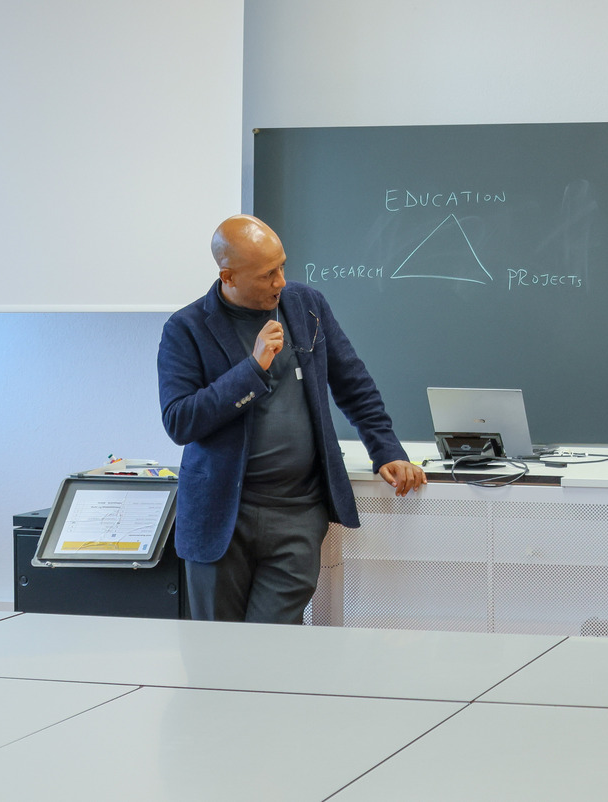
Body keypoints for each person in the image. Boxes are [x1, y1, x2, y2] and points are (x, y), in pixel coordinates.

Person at [158, 214, 426, 624]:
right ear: (228, 276)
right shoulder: (186, 328)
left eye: (282, 266)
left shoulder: (306, 306)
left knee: (274, 644)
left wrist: (386, 449)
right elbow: (180, 421)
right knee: (219, 649)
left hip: (297, 512)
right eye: (267, 274)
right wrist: (252, 369)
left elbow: (353, 384)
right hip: (221, 516)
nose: (280, 281)